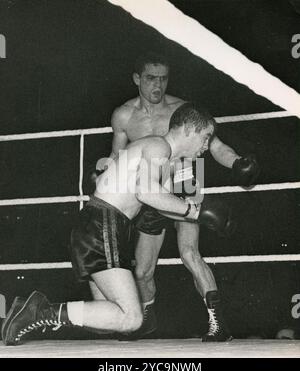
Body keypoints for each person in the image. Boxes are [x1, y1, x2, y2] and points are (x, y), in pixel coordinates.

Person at [2, 103, 234, 346]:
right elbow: (146, 193)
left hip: (97, 226)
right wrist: (196, 210)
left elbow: (160, 203)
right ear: (187, 129)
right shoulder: (158, 146)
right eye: (205, 137)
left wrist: (201, 217)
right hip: (104, 225)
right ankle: (40, 312)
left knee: (108, 317)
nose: (207, 146)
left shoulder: (160, 159)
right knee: (131, 318)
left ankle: (38, 313)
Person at [94, 52, 260, 342]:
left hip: (184, 179)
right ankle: (145, 320)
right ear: (137, 79)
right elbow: (117, 155)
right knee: (143, 270)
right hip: (150, 189)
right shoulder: (123, 116)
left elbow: (214, 144)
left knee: (189, 252)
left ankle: (218, 323)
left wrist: (236, 162)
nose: (158, 85)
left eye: (163, 78)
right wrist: (104, 175)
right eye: (150, 78)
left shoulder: (182, 110)